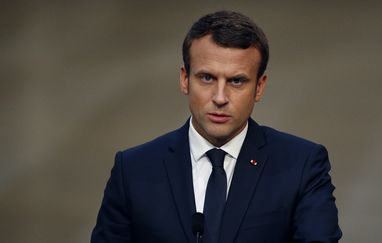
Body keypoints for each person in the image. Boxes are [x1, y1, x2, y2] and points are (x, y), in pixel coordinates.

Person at [91, 10, 342, 243]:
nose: (220, 97)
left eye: (236, 81)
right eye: (207, 78)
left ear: (260, 87)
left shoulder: (301, 165)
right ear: (185, 79)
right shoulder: (134, 171)